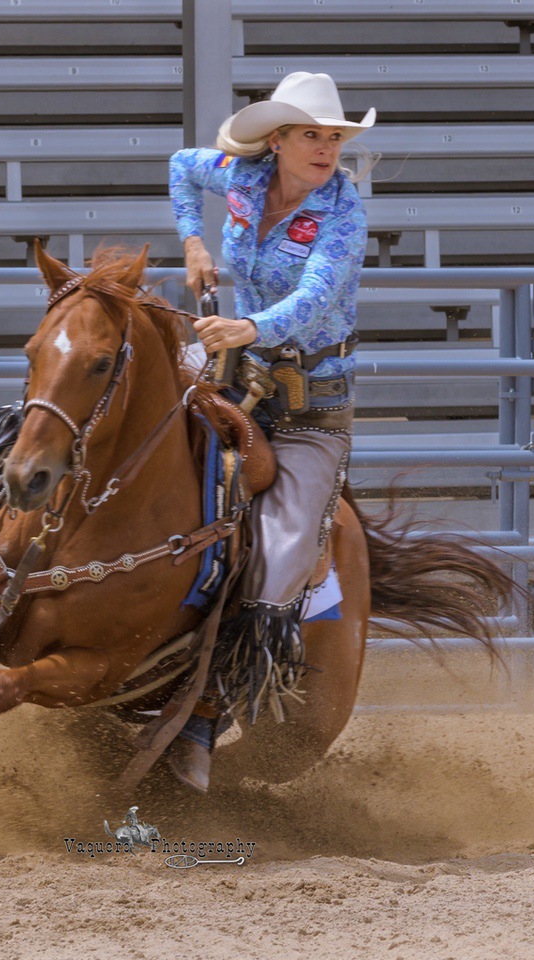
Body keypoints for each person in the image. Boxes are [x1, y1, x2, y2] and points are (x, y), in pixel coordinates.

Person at [163, 72, 376, 792]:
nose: (326, 149)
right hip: (229, 359)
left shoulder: (344, 212)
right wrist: (193, 240)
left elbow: (317, 299)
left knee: (280, 556)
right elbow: (179, 167)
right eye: (311, 135)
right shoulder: (240, 174)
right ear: (277, 139)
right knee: (116, 396)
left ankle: (208, 708)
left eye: (334, 137)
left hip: (309, 407)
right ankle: (3, 533)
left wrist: (250, 326)